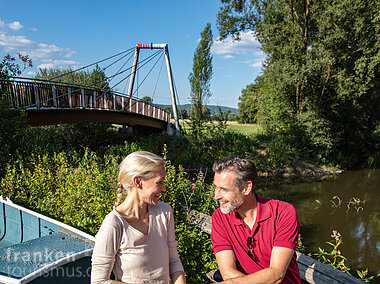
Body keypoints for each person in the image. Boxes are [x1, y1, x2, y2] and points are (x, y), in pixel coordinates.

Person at [91, 151, 186, 284]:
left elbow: (174, 261)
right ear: (138, 182)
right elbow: (99, 281)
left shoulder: (164, 212)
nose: (164, 188)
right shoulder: (114, 224)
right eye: (159, 182)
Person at [211, 155, 301, 283]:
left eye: (224, 189)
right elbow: (227, 272)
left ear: (246, 188)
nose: (216, 196)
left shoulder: (283, 213)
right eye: (216, 187)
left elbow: (277, 274)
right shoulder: (220, 218)